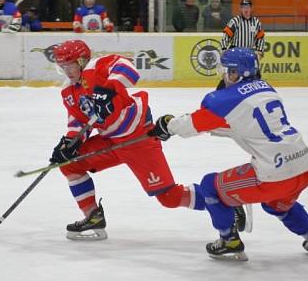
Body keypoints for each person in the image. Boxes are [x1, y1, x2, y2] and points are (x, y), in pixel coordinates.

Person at [148, 47, 308, 261]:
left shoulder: (223, 100)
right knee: (277, 204)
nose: (224, 76)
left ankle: (229, 240)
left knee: (210, 185)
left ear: (238, 73)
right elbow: (239, 124)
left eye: (227, 71)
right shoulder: (267, 89)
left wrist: (168, 125)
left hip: (274, 174)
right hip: (304, 165)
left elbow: (190, 125)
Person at [48, 39, 207, 240]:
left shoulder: (96, 67)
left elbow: (128, 67)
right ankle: (93, 216)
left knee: (170, 198)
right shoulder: (69, 91)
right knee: (70, 164)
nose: (66, 71)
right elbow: (78, 121)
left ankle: (219, 202)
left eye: (69, 65)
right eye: (62, 67)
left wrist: (110, 88)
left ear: (81, 61)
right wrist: (69, 143)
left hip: (138, 138)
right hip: (110, 141)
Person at [216, 0, 265, 89]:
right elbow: (226, 36)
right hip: (236, 55)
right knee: (231, 78)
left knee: (255, 77)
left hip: (249, 55)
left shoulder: (256, 22)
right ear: (241, 9)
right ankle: (220, 93)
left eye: (248, 7)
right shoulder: (234, 21)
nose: (246, 9)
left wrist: (260, 51)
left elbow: (261, 38)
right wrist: (223, 49)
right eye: (243, 7)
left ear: (251, 8)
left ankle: (253, 97)